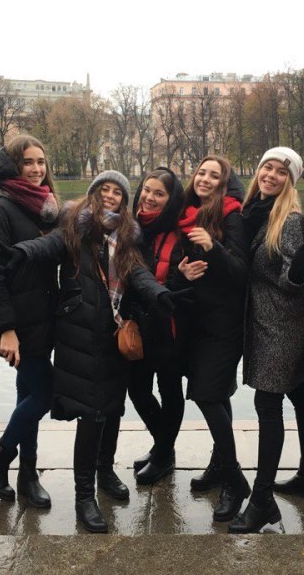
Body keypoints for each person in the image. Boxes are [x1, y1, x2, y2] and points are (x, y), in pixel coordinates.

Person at [4, 170, 187, 533]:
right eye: (104, 188)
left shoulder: (128, 236)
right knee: (91, 416)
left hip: (114, 333)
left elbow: (138, 274)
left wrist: (159, 294)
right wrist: (22, 252)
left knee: (112, 408)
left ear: (124, 200)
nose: (110, 195)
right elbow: (49, 246)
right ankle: (84, 496)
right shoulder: (76, 227)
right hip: (80, 333)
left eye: (117, 191)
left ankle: (105, 472)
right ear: (93, 193)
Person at [228, 147, 304, 533]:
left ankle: (262, 499)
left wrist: (299, 270)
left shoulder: (289, 221)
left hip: (280, 325)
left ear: (291, 180)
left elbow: (291, 281)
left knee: (267, 404)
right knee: (300, 396)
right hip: (264, 321)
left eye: (281, 171)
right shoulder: (254, 213)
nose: (271, 175)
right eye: (266, 167)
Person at [0, 136, 59, 509]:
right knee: (45, 394)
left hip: (41, 318)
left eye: (41, 161)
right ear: (13, 167)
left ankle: (28, 475)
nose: (37, 169)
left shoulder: (41, 206)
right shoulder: (0, 209)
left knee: (28, 395)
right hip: (18, 325)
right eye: (28, 162)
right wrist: (5, 329)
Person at [177, 156, 250, 522]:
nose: (204, 179)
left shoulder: (232, 215)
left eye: (214, 175)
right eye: (201, 172)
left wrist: (212, 246)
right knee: (217, 395)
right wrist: (183, 271)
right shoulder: (188, 214)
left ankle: (235, 480)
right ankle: (219, 466)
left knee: (206, 396)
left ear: (224, 183)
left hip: (224, 324)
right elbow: (193, 270)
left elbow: (240, 272)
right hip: (198, 320)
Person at [125, 167, 187, 485]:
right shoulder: (130, 228)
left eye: (159, 194)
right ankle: (163, 446)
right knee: (137, 390)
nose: (149, 197)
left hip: (167, 326)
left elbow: (181, 282)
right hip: (136, 323)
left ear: (170, 200)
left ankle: (162, 455)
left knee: (169, 391)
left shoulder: (178, 234)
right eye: (147, 190)